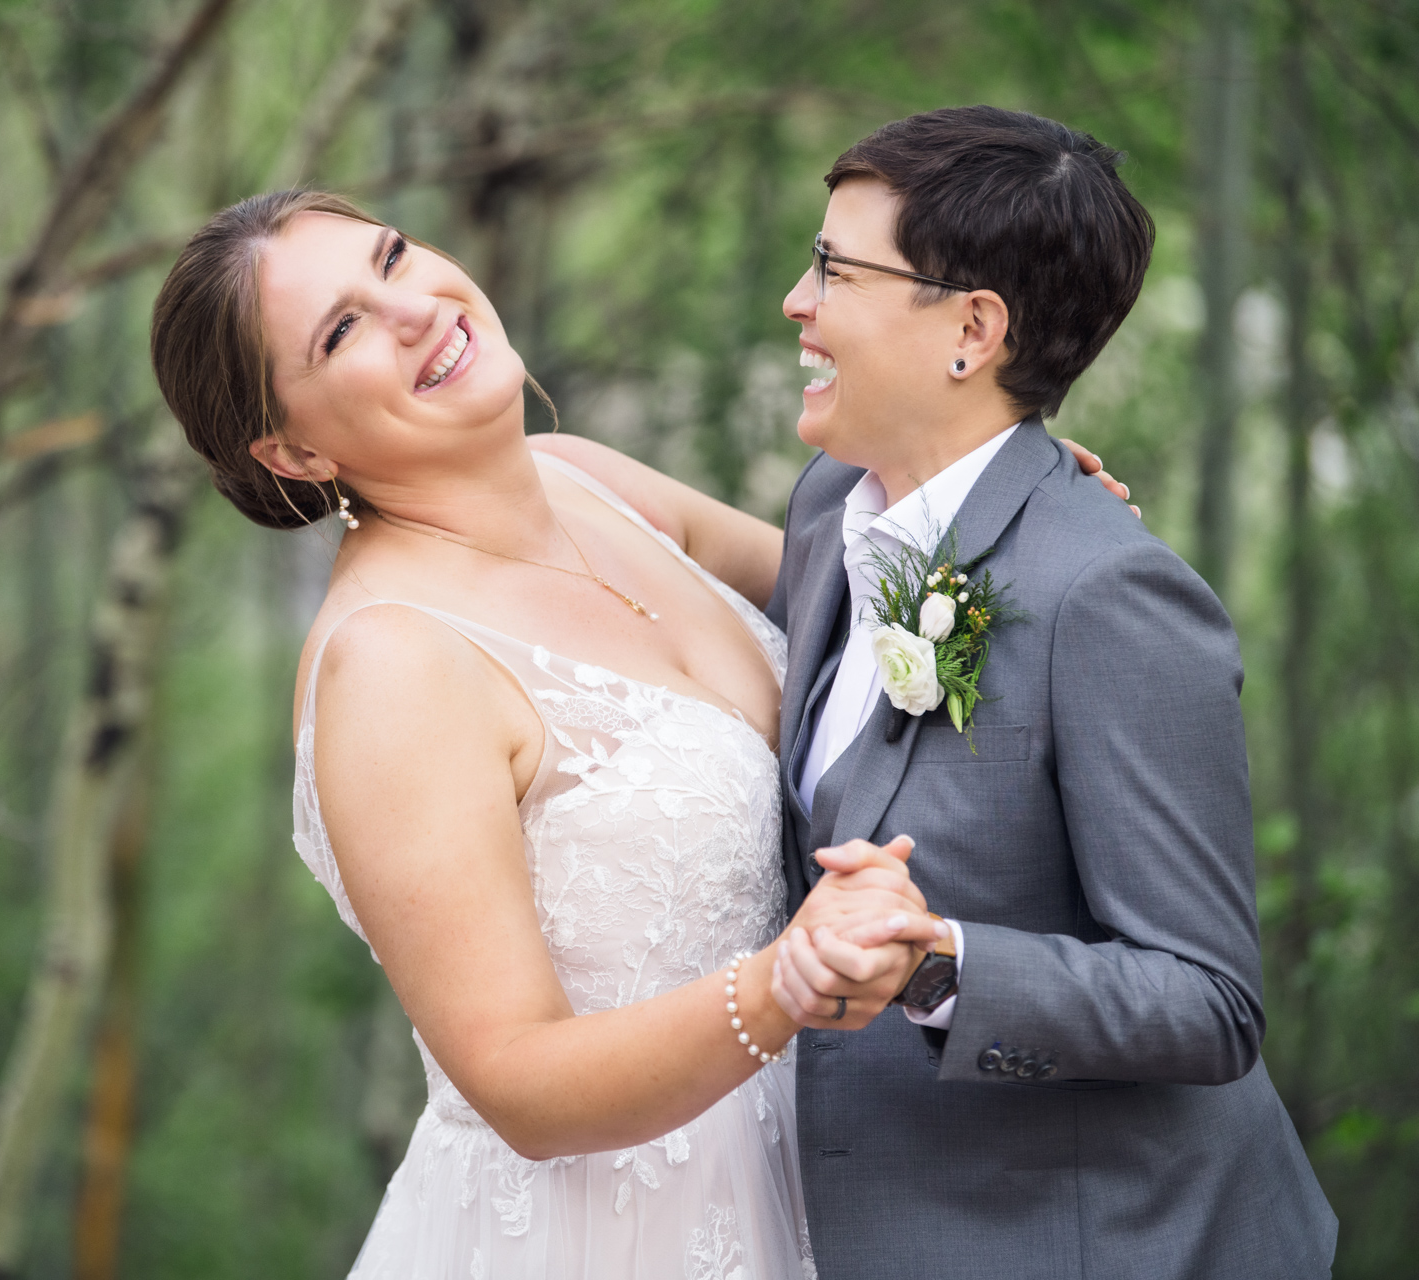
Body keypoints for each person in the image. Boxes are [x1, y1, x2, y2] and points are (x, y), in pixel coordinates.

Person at [149, 182, 1128, 1277]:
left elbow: (875, 586)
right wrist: (783, 986)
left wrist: (1011, 501)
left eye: (392, 258)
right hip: (612, 1230)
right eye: (342, 332)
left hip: (835, 1173)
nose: (414, 308)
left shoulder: (590, 482)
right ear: (292, 452)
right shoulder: (393, 661)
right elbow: (519, 1080)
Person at [733, 106, 1336, 1277]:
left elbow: (1209, 1001)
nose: (797, 304)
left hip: (1108, 1243)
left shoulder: (1112, 595)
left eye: (833, 269)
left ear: (972, 328)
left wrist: (939, 960)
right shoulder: (826, 505)